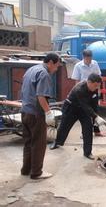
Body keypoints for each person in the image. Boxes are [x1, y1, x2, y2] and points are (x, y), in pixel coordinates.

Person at [20, 52, 61, 180]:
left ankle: (26, 170)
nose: (56, 69)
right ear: (50, 63)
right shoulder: (44, 74)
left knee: (28, 142)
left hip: (24, 111)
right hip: (35, 114)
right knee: (38, 143)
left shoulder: (32, 69)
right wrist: (48, 113)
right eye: (57, 66)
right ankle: (36, 172)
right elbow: (41, 96)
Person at [50, 73, 106, 160]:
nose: (96, 88)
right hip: (71, 108)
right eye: (95, 86)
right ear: (89, 82)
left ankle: (87, 152)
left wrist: (96, 117)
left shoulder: (94, 89)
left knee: (88, 129)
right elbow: (85, 105)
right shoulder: (79, 89)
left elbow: (94, 104)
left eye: (98, 86)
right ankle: (57, 142)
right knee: (64, 126)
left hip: (84, 110)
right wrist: (95, 116)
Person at [71, 49, 105, 137]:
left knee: (95, 110)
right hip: (83, 92)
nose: (89, 60)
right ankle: (85, 133)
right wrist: (77, 94)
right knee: (85, 112)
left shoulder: (95, 63)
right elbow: (77, 81)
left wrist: (99, 90)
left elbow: (99, 77)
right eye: (87, 59)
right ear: (84, 57)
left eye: (90, 58)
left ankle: (97, 131)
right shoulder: (78, 66)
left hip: (94, 91)